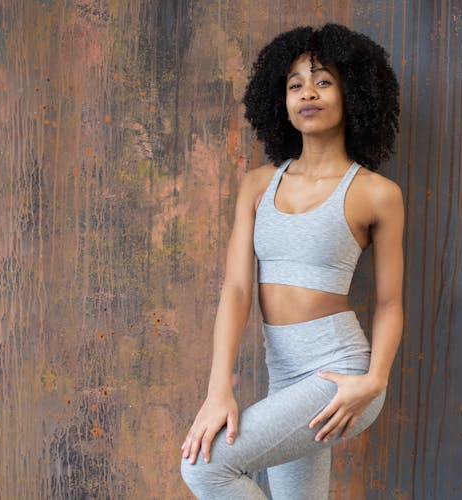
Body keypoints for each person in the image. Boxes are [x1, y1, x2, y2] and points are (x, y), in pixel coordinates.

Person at [180, 23, 404, 499]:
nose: (308, 93)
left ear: (352, 95)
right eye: (295, 84)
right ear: (279, 100)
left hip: (342, 375)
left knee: (205, 468)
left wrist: (374, 380)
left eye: (323, 81)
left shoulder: (376, 193)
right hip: (283, 374)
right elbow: (237, 291)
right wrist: (218, 389)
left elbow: (389, 304)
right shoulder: (258, 185)